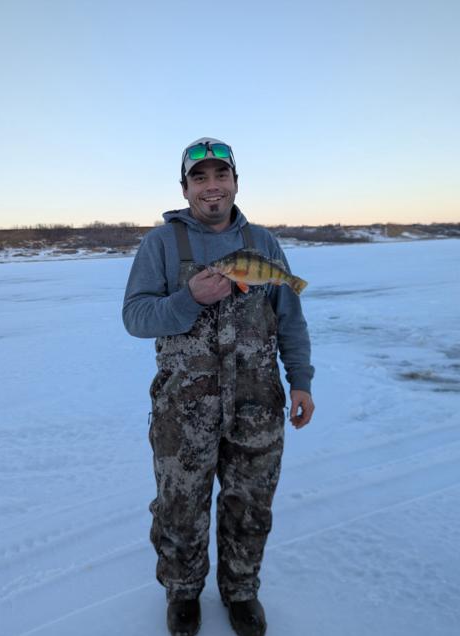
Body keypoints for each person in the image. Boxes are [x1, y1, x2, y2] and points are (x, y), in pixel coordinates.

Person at [122, 137, 315, 636]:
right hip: (183, 411)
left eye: (221, 175)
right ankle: (183, 593)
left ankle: (242, 591)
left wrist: (301, 380)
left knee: (250, 506)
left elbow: (290, 319)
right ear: (185, 188)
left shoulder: (263, 243)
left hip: (258, 405)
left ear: (235, 182)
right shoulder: (161, 243)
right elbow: (136, 316)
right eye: (200, 178)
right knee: (180, 508)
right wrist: (188, 298)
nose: (212, 187)